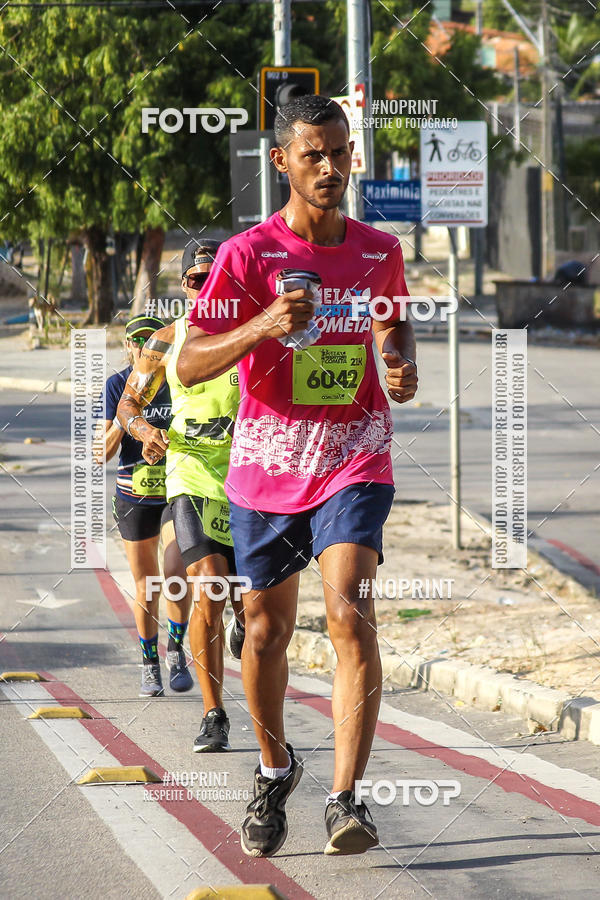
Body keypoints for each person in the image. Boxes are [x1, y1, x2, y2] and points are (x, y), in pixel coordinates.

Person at [177, 94, 418, 857]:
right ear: (281, 160)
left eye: (341, 152)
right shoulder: (247, 255)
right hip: (269, 464)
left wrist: (397, 358)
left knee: (350, 615)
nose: (331, 167)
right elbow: (187, 362)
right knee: (265, 630)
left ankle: (347, 800)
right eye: (313, 154)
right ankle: (275, 768)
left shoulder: (380, 249)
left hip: (354, 453)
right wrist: (261, 326)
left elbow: (392, 317)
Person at [117, 240, 244, 752]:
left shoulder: (251, 334)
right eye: (195, 280)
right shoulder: (166, 341)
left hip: (250, 481)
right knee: (208, 587)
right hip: (190, 475)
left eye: (214, 278)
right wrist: (144, 431)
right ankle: (214, 714)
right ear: (185, 287)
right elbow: (129, 402)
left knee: (249, 605)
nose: (204, 288)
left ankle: (242, 616)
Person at [94, 315, 193, 697]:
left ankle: (177, 650)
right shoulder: (117, 384)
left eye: (150, 339)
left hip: (173, 491)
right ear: (127, 346)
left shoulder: (177, 377)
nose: (143, 346)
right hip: (133, 495)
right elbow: (102, 452)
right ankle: (149, 662)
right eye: (136, 340)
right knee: (146, 585)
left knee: (175, 570)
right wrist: (129, 412)